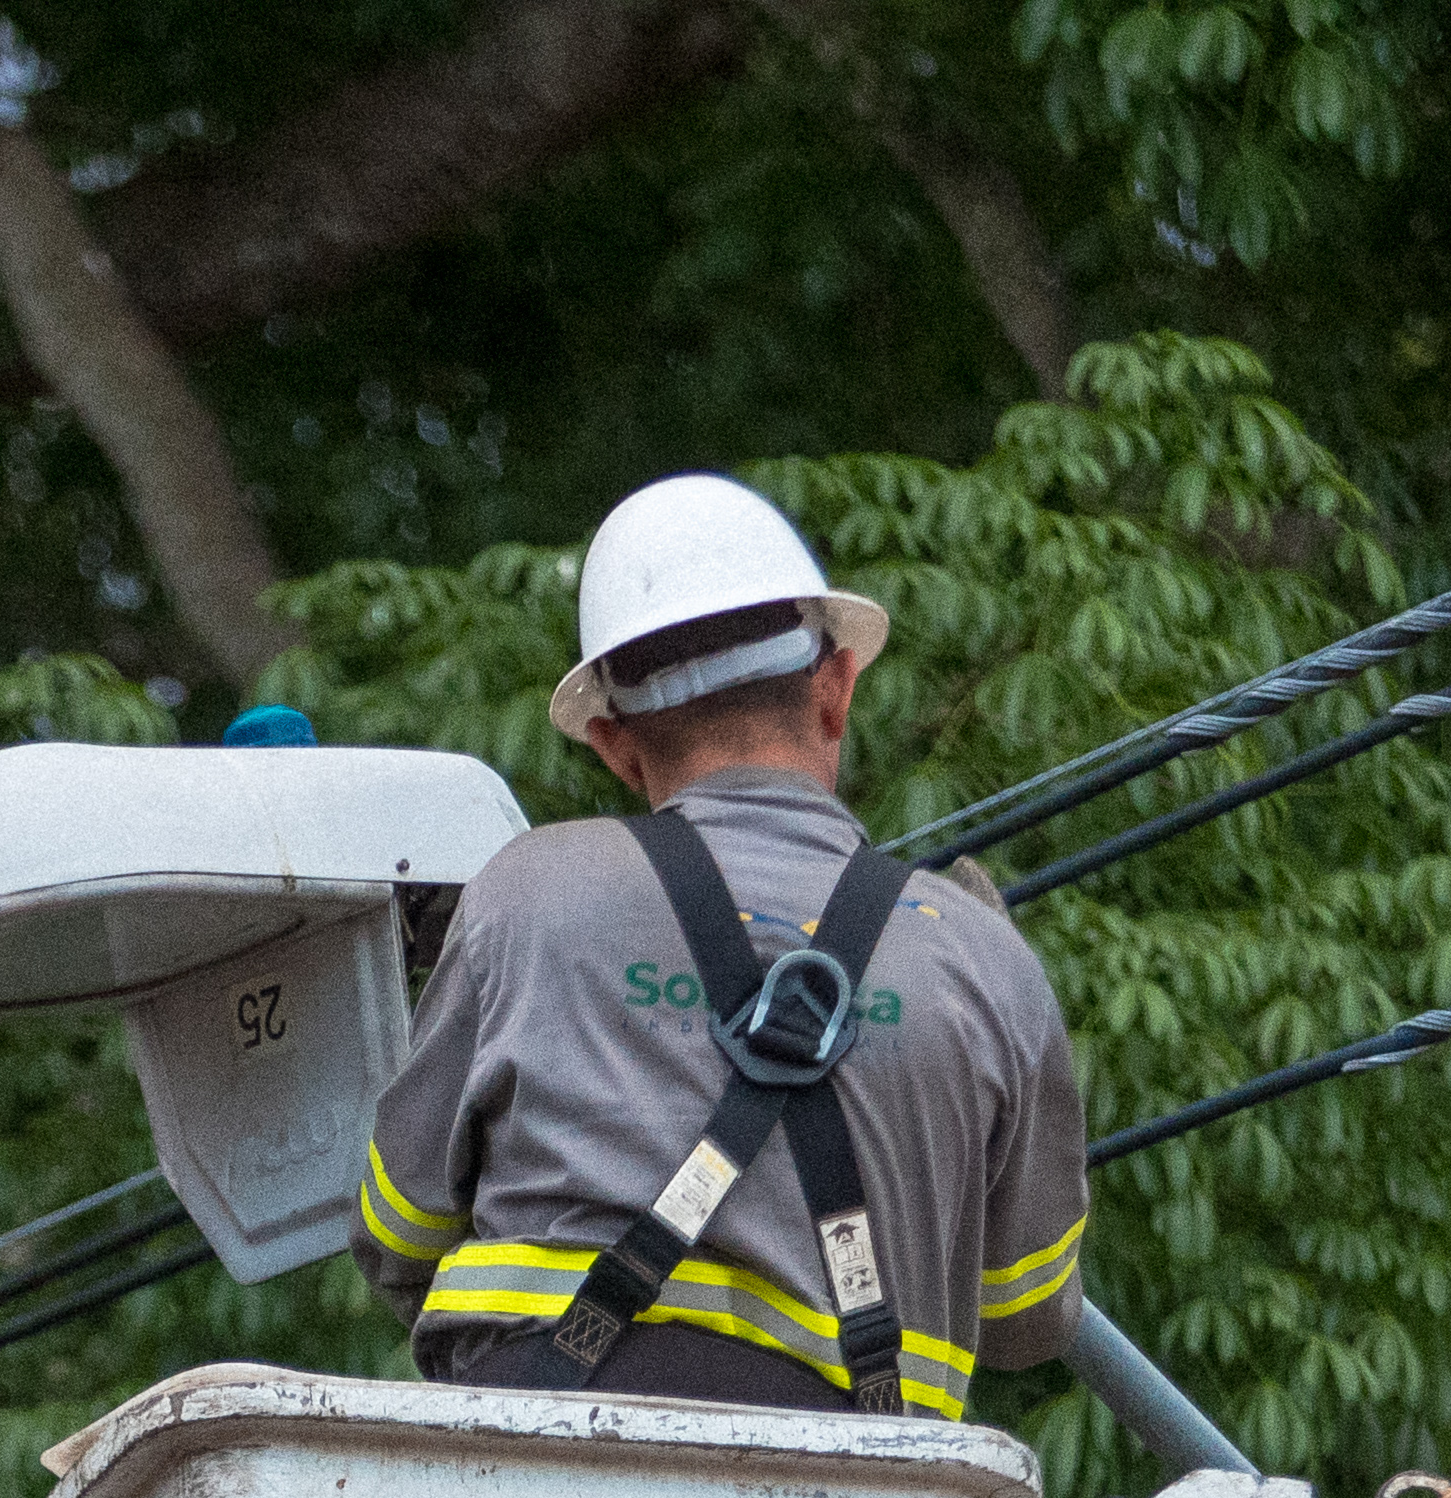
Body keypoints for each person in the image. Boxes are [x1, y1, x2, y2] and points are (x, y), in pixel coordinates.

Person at [356, 474, 1088, 1417]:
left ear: (616, 744)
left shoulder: (528, 893)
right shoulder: (979, 959)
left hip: (532, 1467)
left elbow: (397, 1229)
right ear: (836, 688)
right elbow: (1028, 1314)